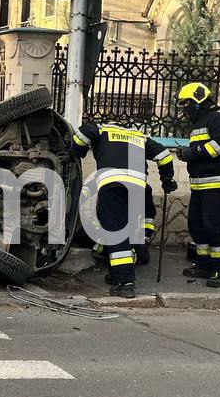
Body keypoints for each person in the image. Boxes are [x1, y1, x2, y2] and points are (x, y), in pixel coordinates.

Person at [72, 119, 177, 299]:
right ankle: (117, 274)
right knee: (126, 230)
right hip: (138, 187)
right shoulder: (139, 136)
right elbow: (165, 155)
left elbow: (81, 136)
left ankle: (125, 282)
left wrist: (76, 153)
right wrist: (167, 180)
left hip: (113, 184)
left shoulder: (101, 129)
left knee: (115, 232)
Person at [174, 82, 220, 288]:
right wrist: (187, 154)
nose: (184, 109)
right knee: (196, 225)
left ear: (198, 101)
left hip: (217, 186)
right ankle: (204, 264)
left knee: (214, 226)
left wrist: (191, 153)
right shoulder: (199, 123)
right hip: (200, 186)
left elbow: (218, 147)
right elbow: (203, 151)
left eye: (186, 104)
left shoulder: (219, 120)